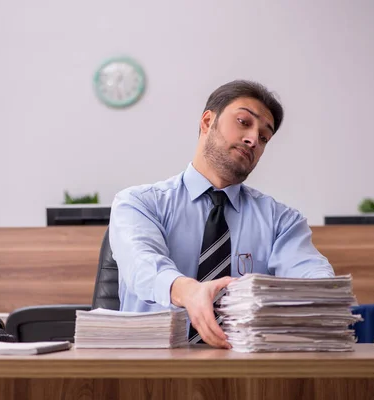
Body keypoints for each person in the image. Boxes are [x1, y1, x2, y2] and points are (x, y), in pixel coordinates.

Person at [109, 79, 335, 349]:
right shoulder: (139, 204)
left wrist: (327, 294)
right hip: (151, 371)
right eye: (243, 122)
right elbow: (142, 266)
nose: (253, 140)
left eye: (264, 137)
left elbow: (312, 276)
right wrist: (190, 293)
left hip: (246, 375)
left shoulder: (282, 221)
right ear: (207, 122)